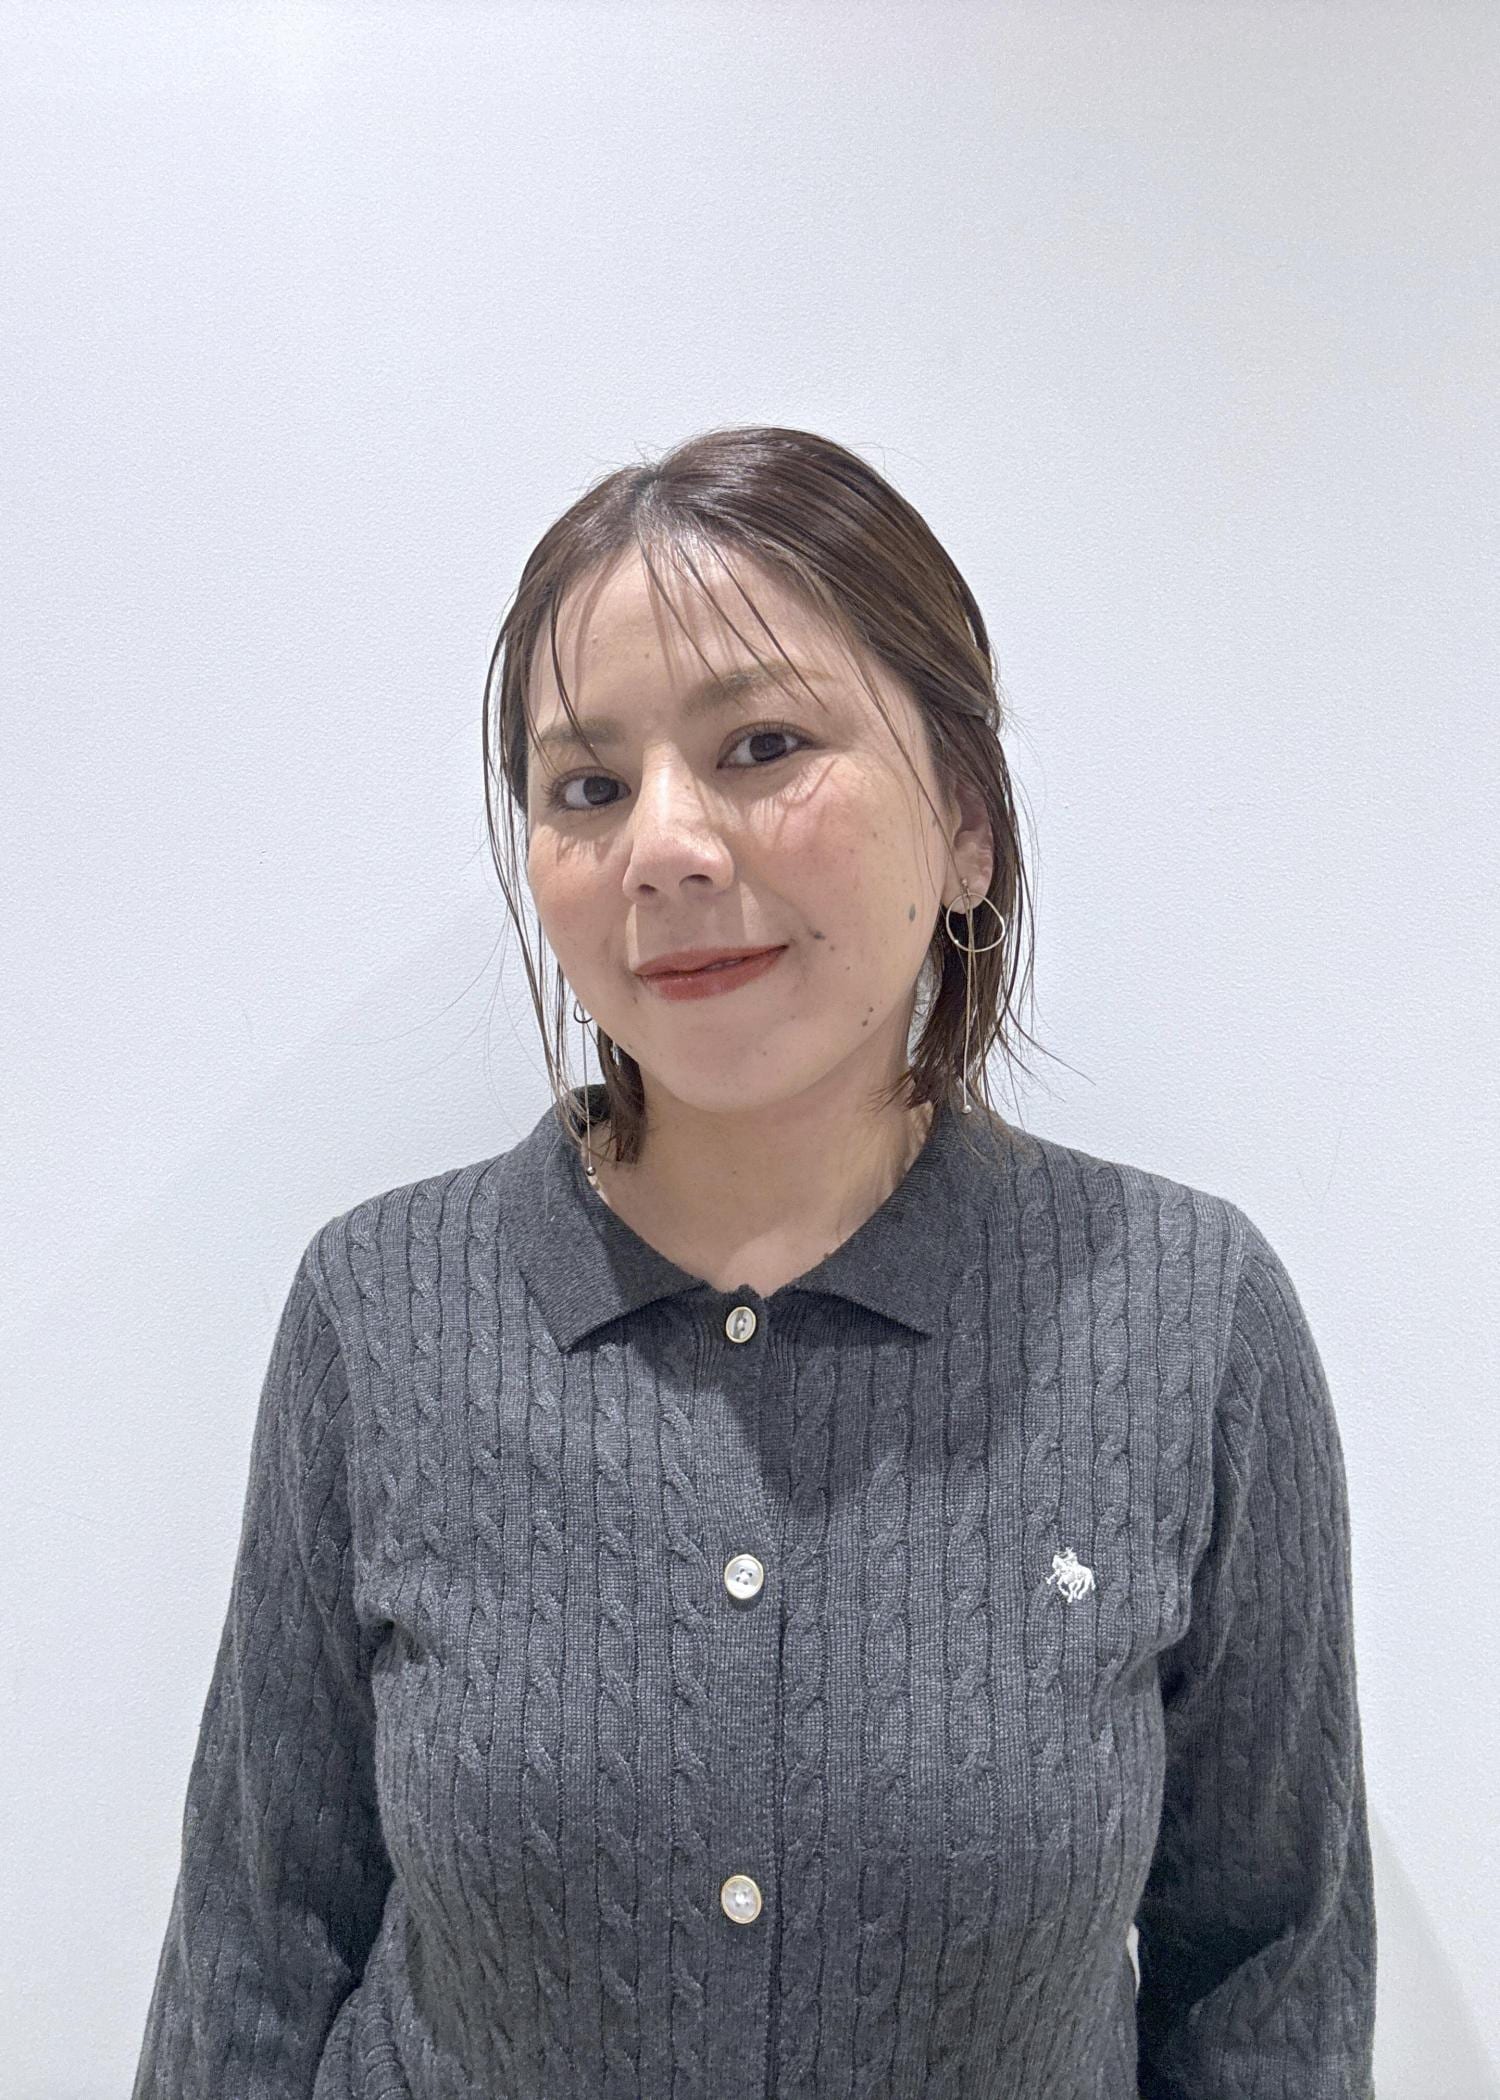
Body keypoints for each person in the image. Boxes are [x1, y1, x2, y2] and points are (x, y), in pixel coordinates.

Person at [132, 425, 1376, 2098]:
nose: (663, 844)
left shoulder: (1182, 1315)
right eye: (587, 788)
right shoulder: (383, 1309)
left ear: (968, 822)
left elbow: (1269, 1985)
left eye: (764, 745)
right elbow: (257, 1952)